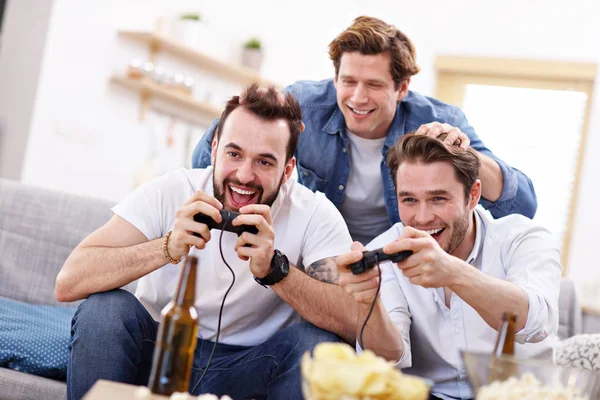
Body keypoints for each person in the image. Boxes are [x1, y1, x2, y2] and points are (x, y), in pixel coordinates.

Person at [55, 85, 356, 400]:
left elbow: (352, 322)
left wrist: (275, 270)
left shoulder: (315, 214)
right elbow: (69, 282)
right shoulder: (169, 190)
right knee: (105, 309)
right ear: (214, 149)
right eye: (234, 153)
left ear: (288, 170)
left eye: (264, 162)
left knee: (317, 346)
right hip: (159, 352)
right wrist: (167, 247)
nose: (244, 175)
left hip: (250, 369)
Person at [191, 16, 537, 245]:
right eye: (348, 81)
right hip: (308, 253)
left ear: (402, 88)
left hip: (393, 266)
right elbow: (207, 157)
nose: (358, 98)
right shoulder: (302, 105)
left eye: (373, 85)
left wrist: (466, 154)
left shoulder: (438, 119)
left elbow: (522, 206)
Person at [335, 133, 561, 400]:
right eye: (409, 200)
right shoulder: (387, 249)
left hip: (519, 394)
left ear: (473, 195)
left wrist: (453, 272)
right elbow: (390, 359)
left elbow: (534, 322)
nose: (422, 217)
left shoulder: (523, 238)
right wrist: (368, 304)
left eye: (439, 199)